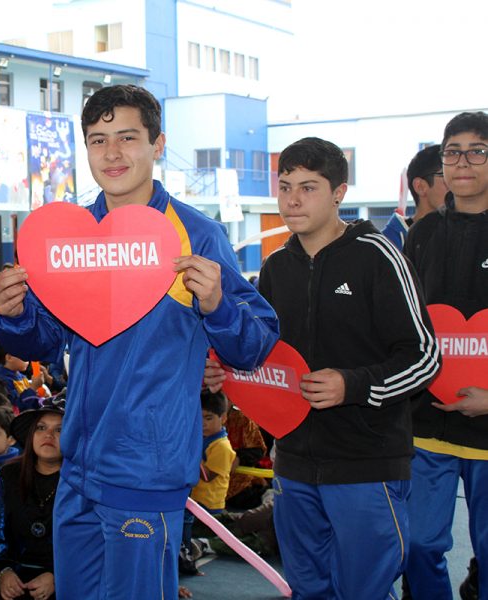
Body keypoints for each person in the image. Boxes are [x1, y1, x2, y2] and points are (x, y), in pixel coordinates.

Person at [0, 84, 279, 600]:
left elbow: (252, 344)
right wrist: (13, 315)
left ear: (158, 144)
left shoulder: (197, 234)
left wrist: (218, 305)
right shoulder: (71, 237)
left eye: (127, 137)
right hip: (77, 462)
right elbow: (47, 341)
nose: (113, 153)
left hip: (148, 465)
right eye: (98, 140)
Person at [247, 137, 439, 598]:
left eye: (309, 187)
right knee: (308, 588)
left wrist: (351, 385)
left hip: (365, 462)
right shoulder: (275, 266)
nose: (292, 199)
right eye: (285, 185)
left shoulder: (379, 256)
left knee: (365, 590)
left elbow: (424, 357)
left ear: (339, 193)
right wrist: (233, 370)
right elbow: (267, 356)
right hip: (293, 462)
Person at [403, 111, 488, 600]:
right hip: (427, 424)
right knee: (416, 547)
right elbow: (407, 323)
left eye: (477, 151)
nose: (462, 162)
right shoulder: (424, 232)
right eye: (452, 151)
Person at [0, 399, 65, 600]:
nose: (48, 435)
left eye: (59, 430)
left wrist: (58, 577)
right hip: (10, 580)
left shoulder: (80, 482)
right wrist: (2, 572)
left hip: (67, 582)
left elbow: (90, 540)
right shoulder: (8, 474)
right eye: (41, 428)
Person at [181, 390, 236, 574]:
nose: (203, 423)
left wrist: (186, 454)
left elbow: (207, 476)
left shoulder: (221, 446)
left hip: (209, 508)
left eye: (209, 418)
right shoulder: (204, 440)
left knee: (185, 528)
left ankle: (191, 552)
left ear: (224, 418)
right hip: (197, 503)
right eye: (200, 418)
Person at [383, 144, 448, 250]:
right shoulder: (388, 245)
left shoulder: (463, 234)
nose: (457, 186)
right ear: (420, 186)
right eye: (446, 176)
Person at [0, 339, 44, 412]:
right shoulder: (0, 381)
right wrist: (33, 388)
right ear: (9, 357)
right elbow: (17, 408)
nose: (28, 358)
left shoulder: (20, 376)